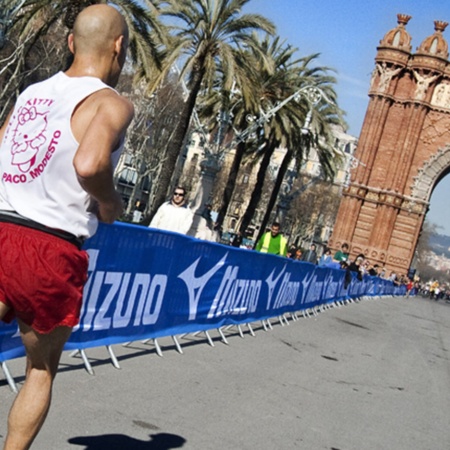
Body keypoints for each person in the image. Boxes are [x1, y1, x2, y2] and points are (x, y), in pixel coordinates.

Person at [0, 5, 133, 449]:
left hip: (1, 227)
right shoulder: (110, 102)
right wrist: (110, 202)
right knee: (40, 368)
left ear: (72, 43)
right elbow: (90, 162)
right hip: (50, 245)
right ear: (120, 48)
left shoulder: (31, 92)